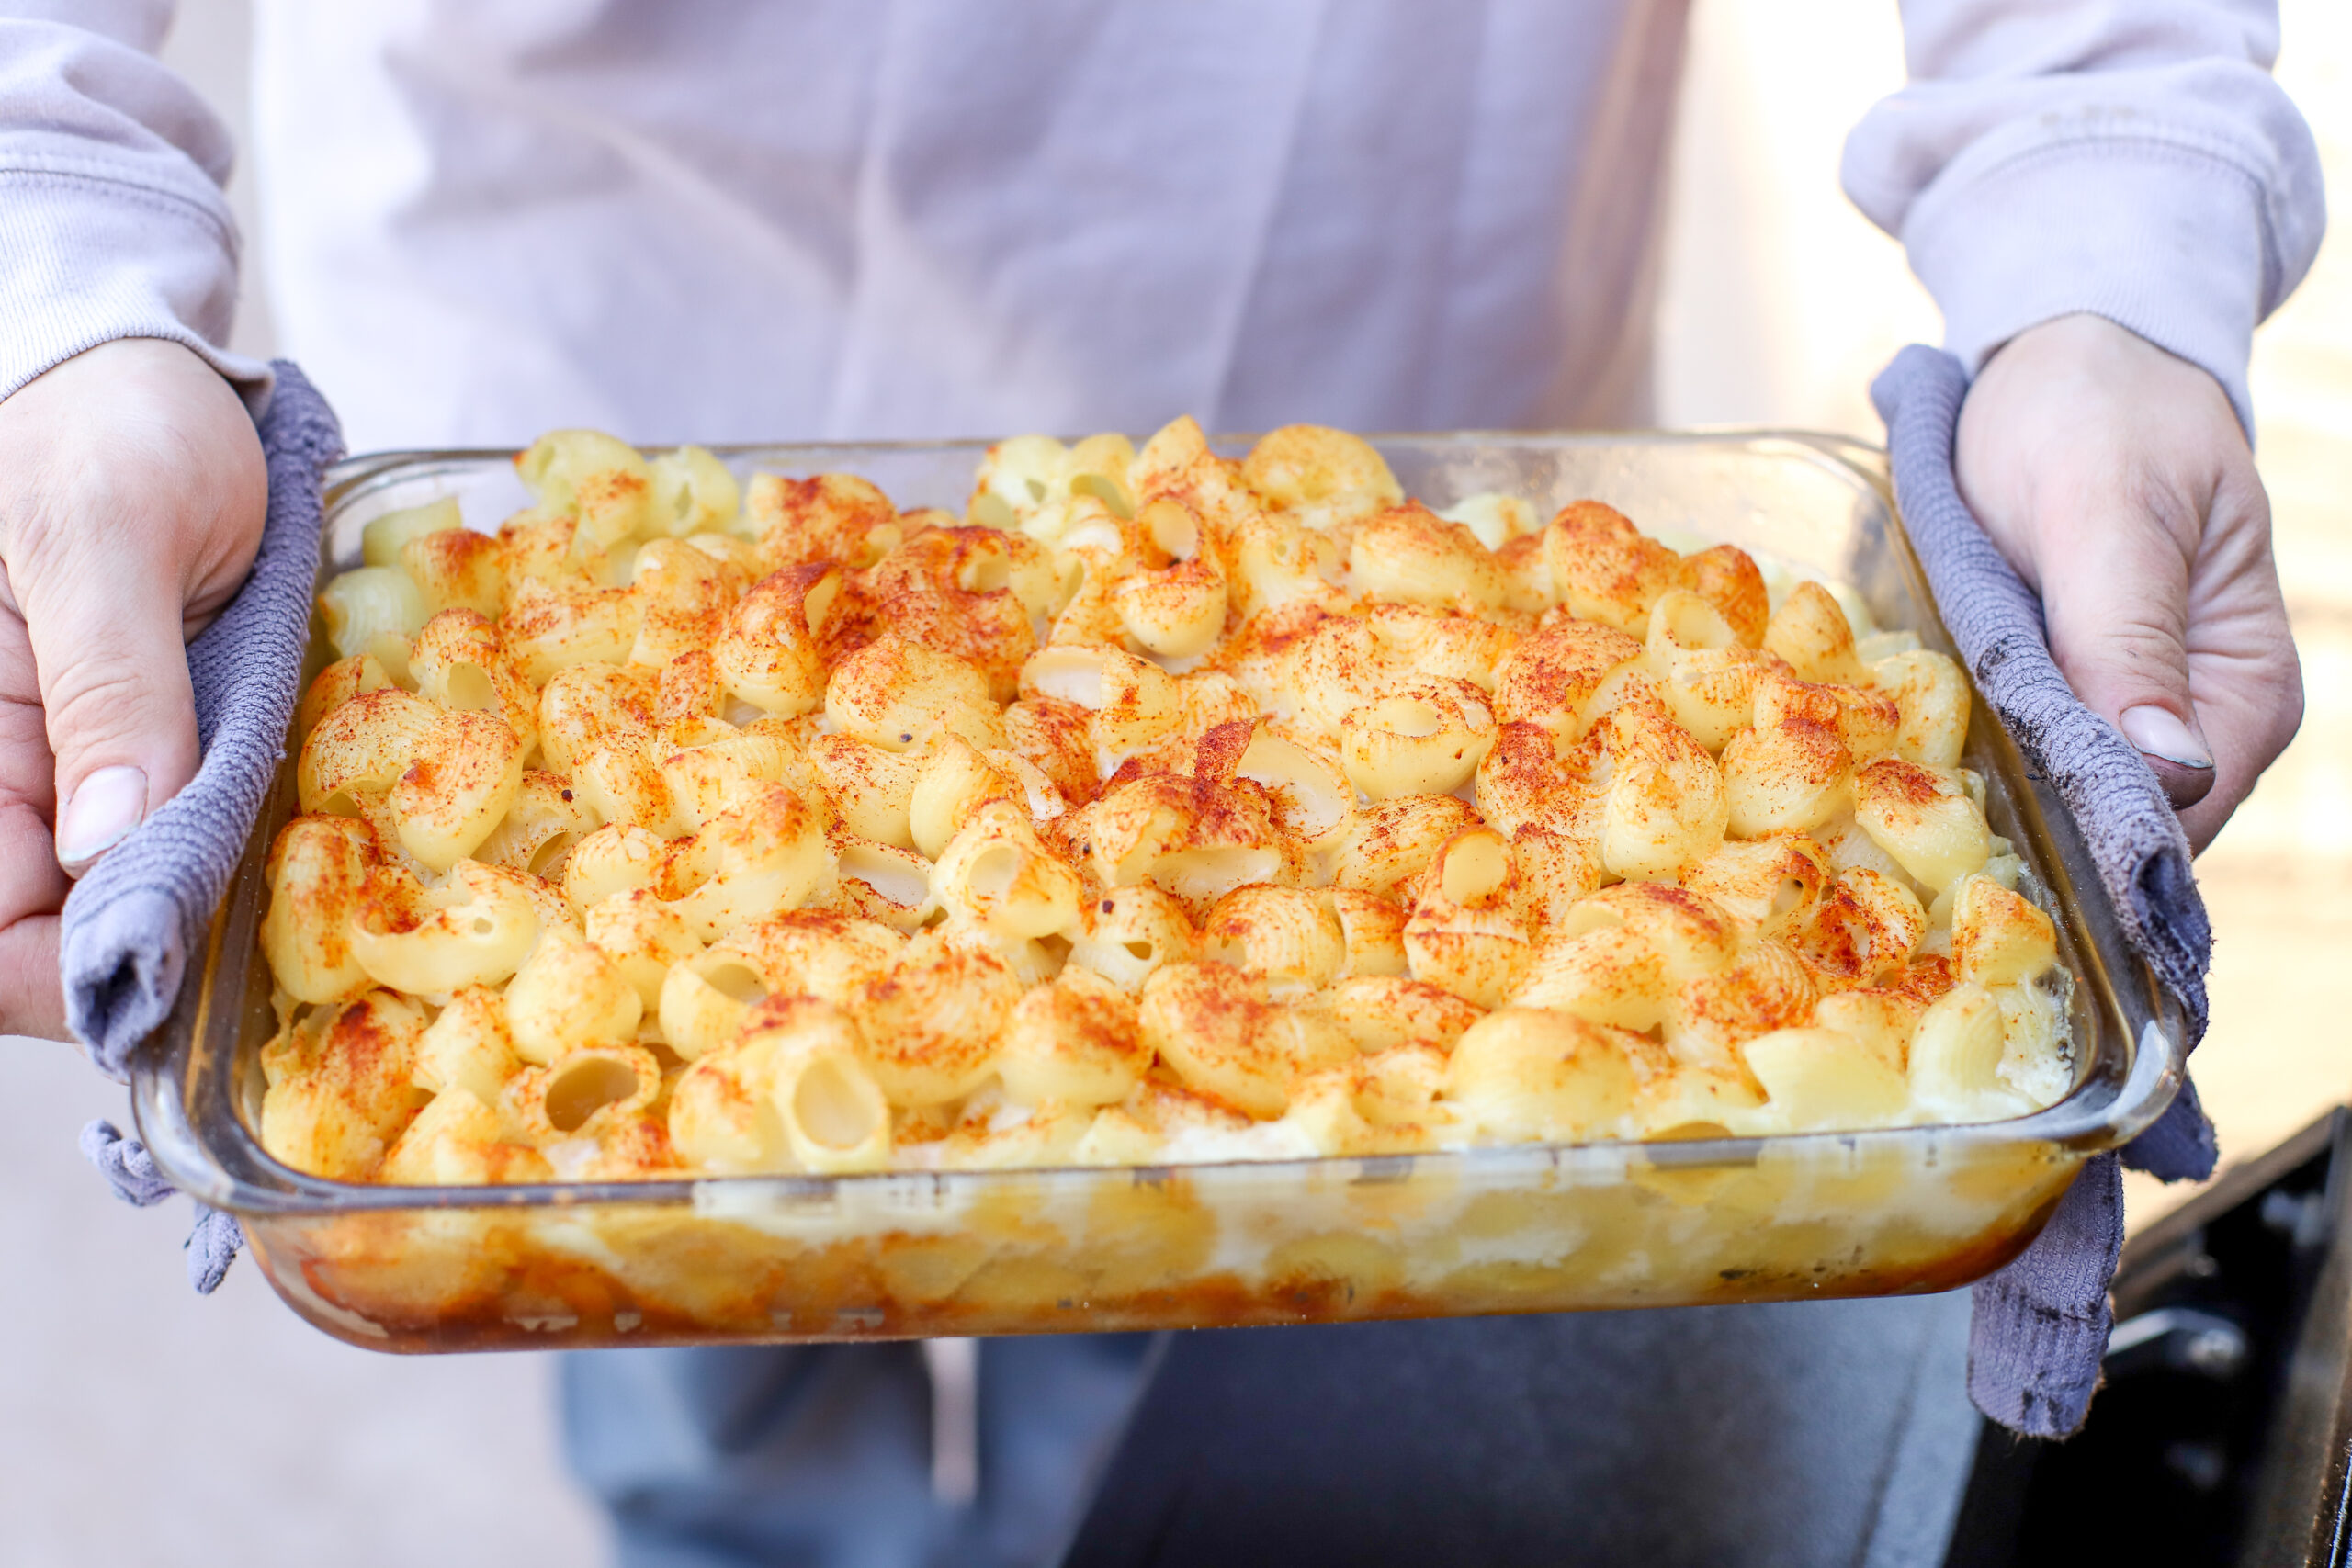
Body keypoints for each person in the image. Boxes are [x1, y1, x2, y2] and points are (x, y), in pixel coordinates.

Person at [0, 3, 2320, 1563]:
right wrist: (53, 292)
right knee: (689, 1376)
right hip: (579, 490)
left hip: (1414, 474)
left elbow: (2082, 120)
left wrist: (2092, 234)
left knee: (1232, 1424)